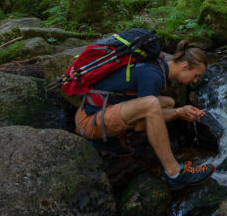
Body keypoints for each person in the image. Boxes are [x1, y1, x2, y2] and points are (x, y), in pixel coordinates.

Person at [74, 40, 215, 190]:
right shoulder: (152, 76)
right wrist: (179, 113)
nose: (194, 81)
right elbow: (141, 125)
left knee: (168, 102)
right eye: (195, 76)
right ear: (185, 67)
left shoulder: (157, 62)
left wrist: (177, 111)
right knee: (151, 104)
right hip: (89, 122)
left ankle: (111, 139)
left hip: (96, 111)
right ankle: (174, 173)